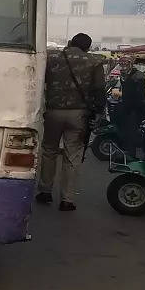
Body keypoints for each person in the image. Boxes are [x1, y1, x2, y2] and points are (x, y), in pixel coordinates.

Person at [38, 33, 106, 211]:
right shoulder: (95, 61)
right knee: (73, 155)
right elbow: (99, 90)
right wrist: (98, 114)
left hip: (53, 112)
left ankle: (45, 190)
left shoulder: (51, 57)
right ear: (88, 48)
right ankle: (67, 199)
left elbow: (39, 80)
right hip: (79, 115)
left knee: (49, 151)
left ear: (69, 43)